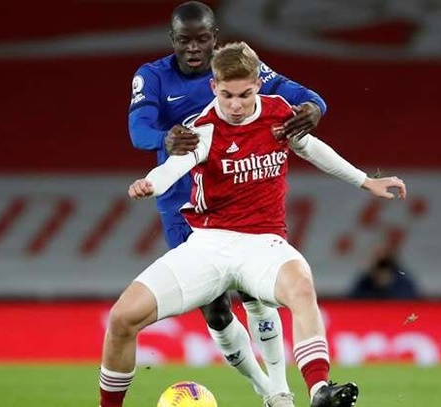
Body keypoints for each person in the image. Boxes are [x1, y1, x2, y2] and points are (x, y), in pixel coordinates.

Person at [100, 41, 407, 407]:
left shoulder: (279, 115)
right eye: (226, 95)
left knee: (301, 285)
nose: (235, 105)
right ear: (214, 87)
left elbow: (313, 149)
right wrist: (151, 183)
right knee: (122, 318)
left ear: (258, 85)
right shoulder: (204, 129)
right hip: (209, 245)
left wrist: (366, 181)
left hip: (263, 244)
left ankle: (319, 390)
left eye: (244, 95)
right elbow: (174, 167)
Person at [128, 1, 326, 405]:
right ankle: (264, 387)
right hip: (181, 205)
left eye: (202, 39)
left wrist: (314, 108)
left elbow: (302, 95)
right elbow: (138, 130)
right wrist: (164, 138)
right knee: (216, 311)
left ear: (214, 38)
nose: (193, 48)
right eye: (184, 40)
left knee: (256, 295)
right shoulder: (152, 76)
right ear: (172, 40)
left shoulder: (235, 69)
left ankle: (280, 392)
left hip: (235, 196)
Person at [349, 245, 419, 300]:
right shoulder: (364, 282)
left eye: (384, 257)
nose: (381, 259)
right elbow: (354, 301)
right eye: (377, 256)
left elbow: (411, 302)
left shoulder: (404, 282)